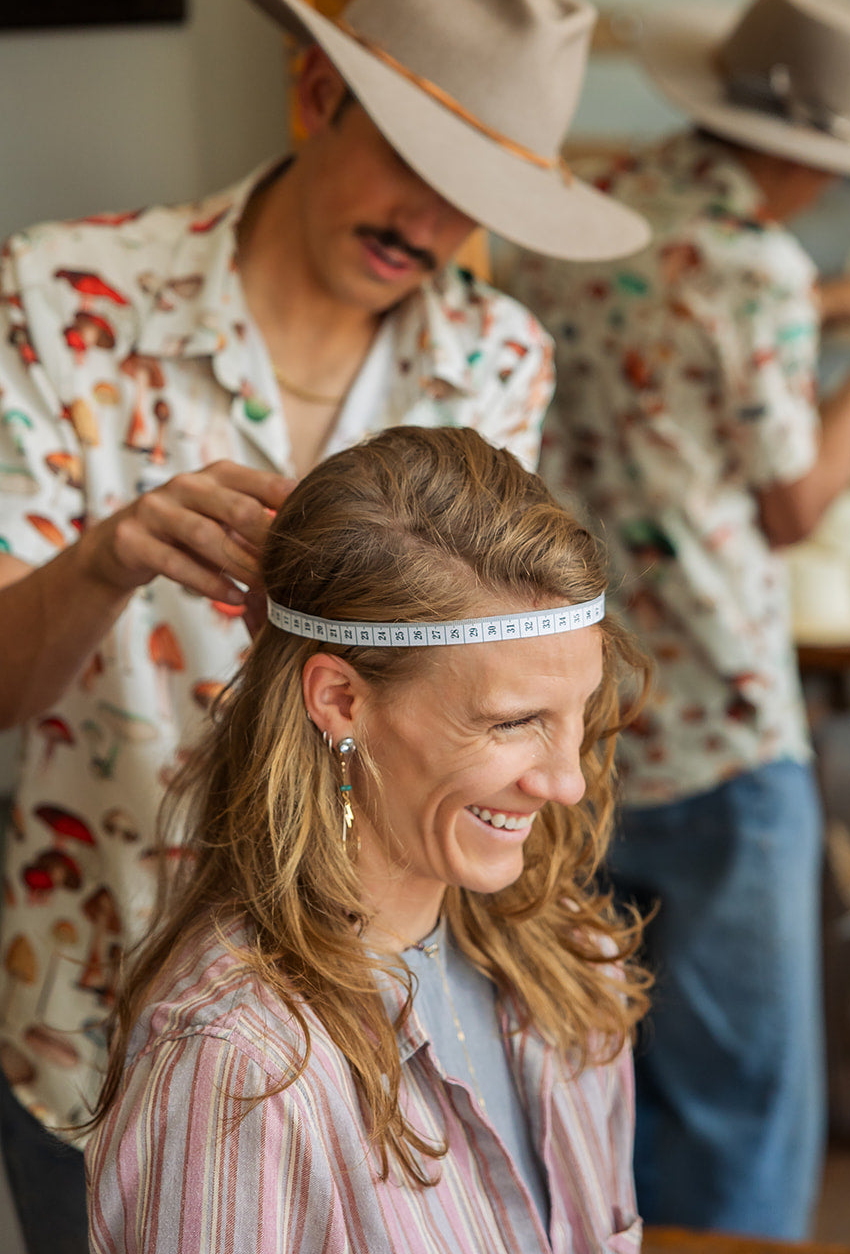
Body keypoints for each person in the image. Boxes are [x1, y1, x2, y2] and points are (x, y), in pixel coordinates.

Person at [0, 0, 648, 1254]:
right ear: (313, 94)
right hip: (108, 972)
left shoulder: (494, 354)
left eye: (479, 191)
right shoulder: (60, 297)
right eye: (415, 162)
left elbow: (480, 680)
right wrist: (106, 560)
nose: (432, 222)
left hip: (401, 997)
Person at [509, 0, 850, 1237]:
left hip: (579, 715)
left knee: (600, 1080)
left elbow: (664, 324)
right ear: (802, 156)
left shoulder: (595, 213)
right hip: (722, 713)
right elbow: (790, 506)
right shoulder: (753, 263)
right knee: (746, 1092)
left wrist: (822, 303)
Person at [85, 425, 649, 1254]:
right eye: (513, 722)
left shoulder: (571, 960)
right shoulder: (238, 1071)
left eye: (575, 715)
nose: (566, 781)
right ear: (341, 700)